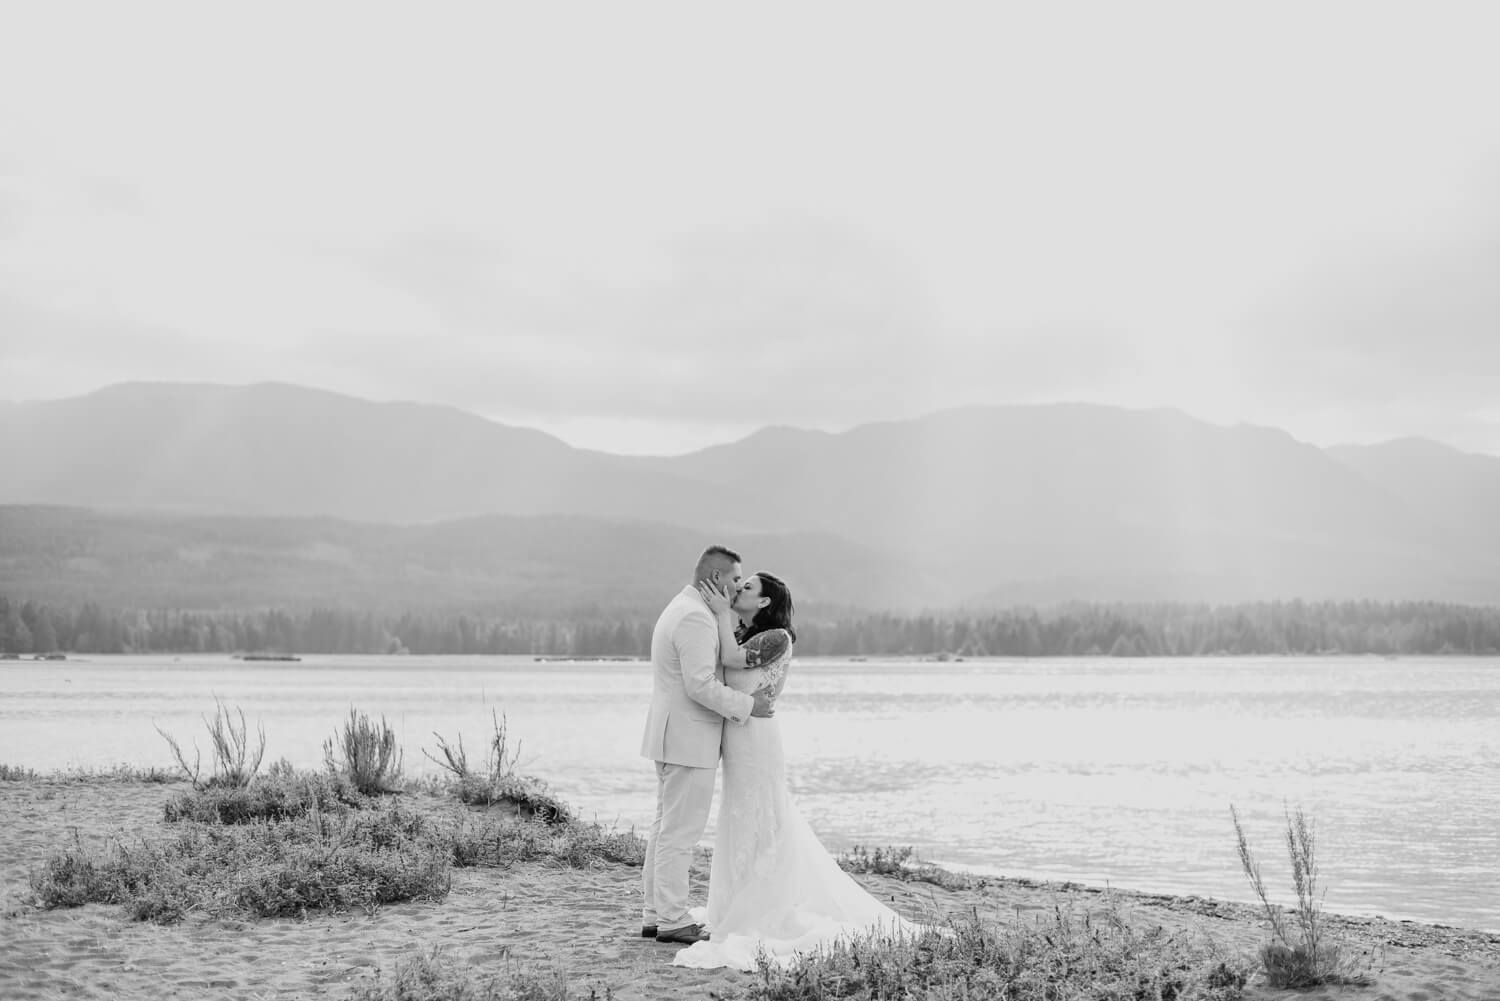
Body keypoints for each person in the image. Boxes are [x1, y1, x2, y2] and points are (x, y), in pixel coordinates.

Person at [671, 570, 919, 971]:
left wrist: (718, 611)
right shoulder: (744, 632)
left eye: (747, 587)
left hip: (757, 738)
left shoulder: (777, 637)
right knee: (738, 813)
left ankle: (765, 901)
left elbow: (731, 661)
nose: (739, 590)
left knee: (761, 813)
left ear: (766, 602)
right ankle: (735, 898)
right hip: (740, 732)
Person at [639, 545, 776, 945]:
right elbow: (700, 685)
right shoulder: (696, 618)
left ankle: (655, 913)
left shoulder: (683, 608)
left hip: (673, 735)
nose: (738, 587)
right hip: (687, 738)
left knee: (665, 829)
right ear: (716, 577)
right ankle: (673, 920)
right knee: (679, 834)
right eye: (736, 579)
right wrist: (749, 706)